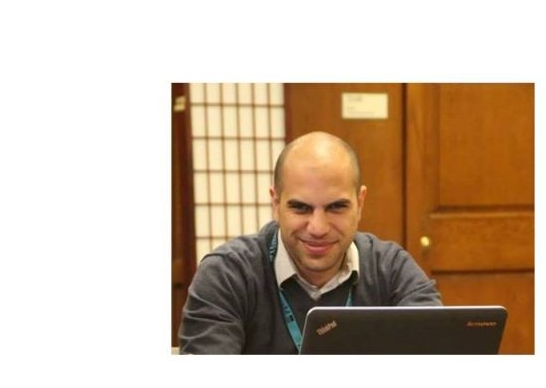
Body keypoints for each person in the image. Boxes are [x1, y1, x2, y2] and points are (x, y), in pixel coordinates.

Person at [178, 131, 442, 354]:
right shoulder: (227, 275)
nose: (318, 228)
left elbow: (440, 355)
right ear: (276, 203)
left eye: (336, 207)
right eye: (301, 208)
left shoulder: (390, 269)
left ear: (360, 203)